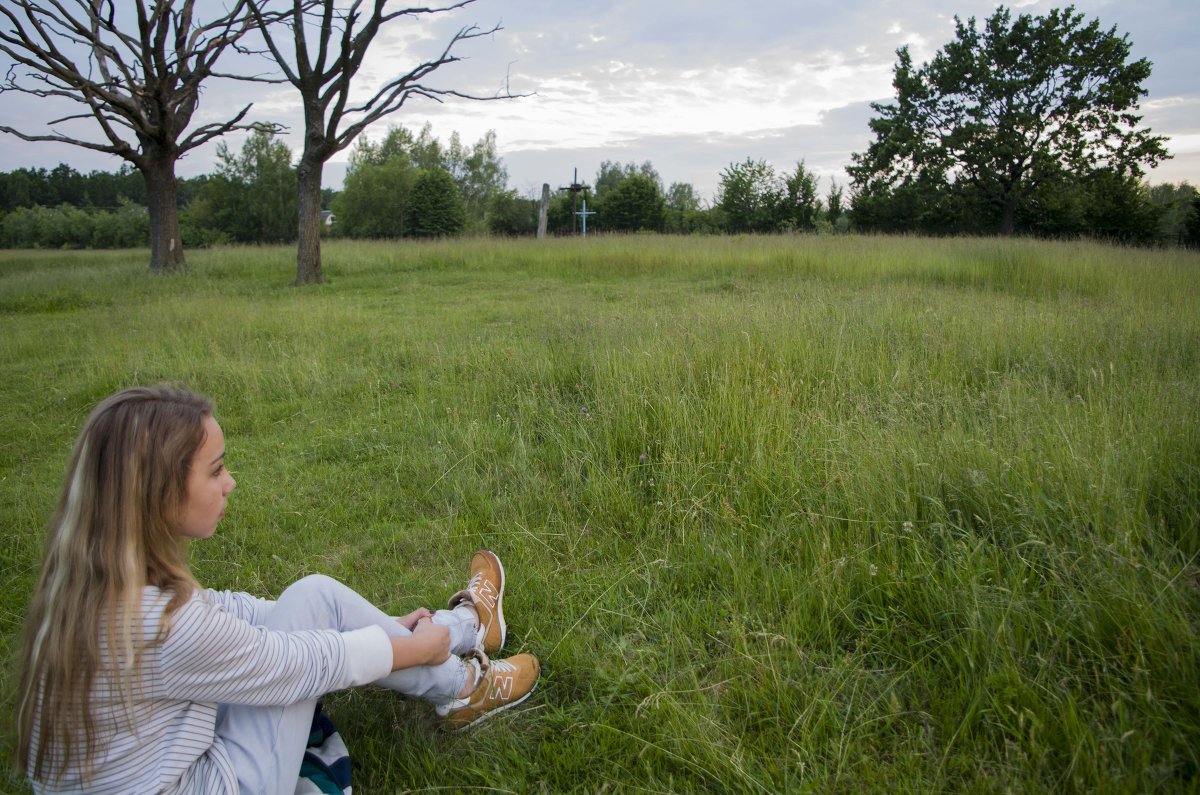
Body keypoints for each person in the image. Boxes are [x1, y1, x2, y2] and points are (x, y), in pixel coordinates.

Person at [14, 386, 540, 794]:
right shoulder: (161, 625)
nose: (230, 483)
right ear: (158, 493)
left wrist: (356, 626)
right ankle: (465, 675)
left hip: (164, 768)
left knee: (314, 603)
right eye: (216, 471)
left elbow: (225, 610)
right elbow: (298, 664)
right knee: (313, 611)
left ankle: (468, 632)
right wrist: (406, 646)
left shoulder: (86, 591)